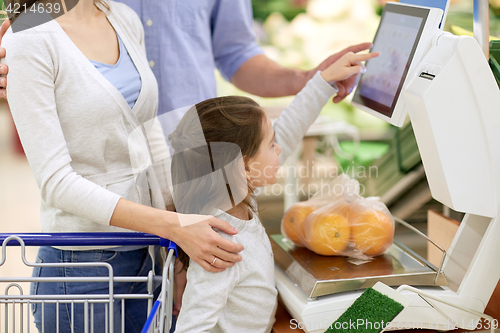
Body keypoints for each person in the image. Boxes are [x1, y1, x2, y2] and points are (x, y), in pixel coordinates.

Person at [1, 0, 244, 331]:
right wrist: (170, 225)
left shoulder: (122, 18)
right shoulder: (29, 37)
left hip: (147, 254)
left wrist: (179, 235)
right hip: (80, 265)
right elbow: (56, 183)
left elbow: (150, 134)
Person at [168, 49, 379, 332]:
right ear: (242, 168)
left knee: (375, 310)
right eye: (271, 144)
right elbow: (191, 327)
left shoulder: (234, 201)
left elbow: (290, 127)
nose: (280, 147)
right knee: (378, 311)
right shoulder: (220, 247)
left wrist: (323, 80)